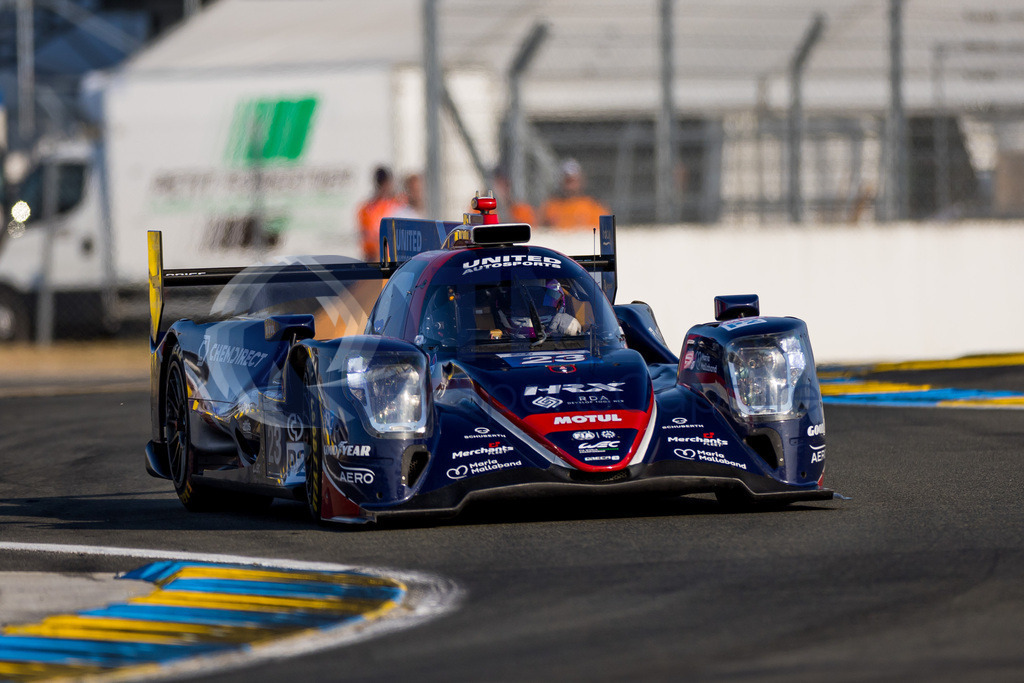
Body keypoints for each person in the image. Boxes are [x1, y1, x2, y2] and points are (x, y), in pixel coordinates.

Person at [540, 159, 609, 230]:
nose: (570, 186)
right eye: (567, 181)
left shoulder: (594, 207)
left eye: (573, 181)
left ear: (581, 181)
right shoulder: (550, 207)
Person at [356, 166, 402, 261]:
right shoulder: (368, 209)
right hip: (377, 259)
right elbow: (367, 238)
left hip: (393, 260)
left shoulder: (398, 205)